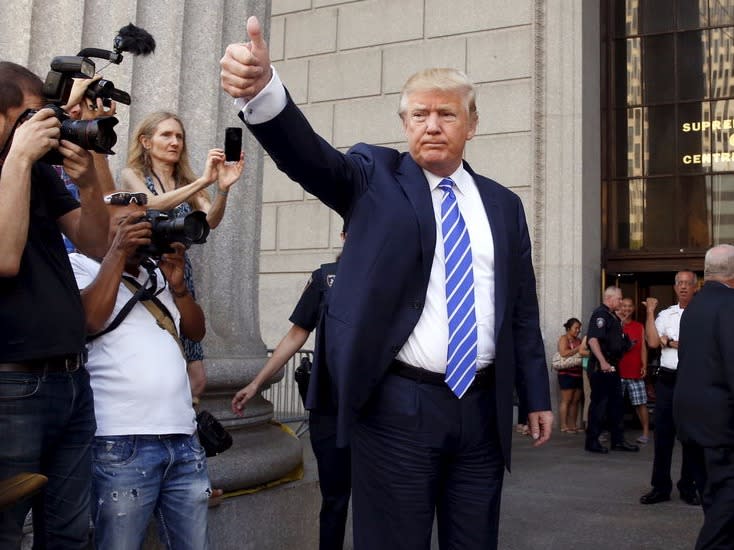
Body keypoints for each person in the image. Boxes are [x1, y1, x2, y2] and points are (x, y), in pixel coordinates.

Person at [220, 17, 553, 550]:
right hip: (399, 405)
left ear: (472, 123)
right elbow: (312, 159)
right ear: (404, 123)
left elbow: (521, 309)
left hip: (483, 412)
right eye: (419, 114)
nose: (432, 124)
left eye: (447, 113)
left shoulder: (503, 205)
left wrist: (535, 394)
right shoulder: (375, 177)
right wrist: (265, 93)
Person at [0, 61, 109, 548]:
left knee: (68, 535)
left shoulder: (39, 172)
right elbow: (4, 256)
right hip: (12, 383)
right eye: (30, 115)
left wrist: (88, 183)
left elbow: (96, 243)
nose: (44, 126)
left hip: (71, 379)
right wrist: (19, 161)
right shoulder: (18, 165)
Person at [69, 200, 211, 549]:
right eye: (125, 225)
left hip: (182, 438)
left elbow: (195, 331)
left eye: (141, 224)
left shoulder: (157, 273)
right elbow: (89, 321)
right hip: (121, 442)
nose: (138, 232)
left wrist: (179, 287)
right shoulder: (79, 266)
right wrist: (117, 253)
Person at [232, 240, 350, 550]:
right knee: (335, 499)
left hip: (376, 410)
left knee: (377, 503)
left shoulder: (388, 275)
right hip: (329, 408)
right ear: (344, 236)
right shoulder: (325, 278)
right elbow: (297, 334)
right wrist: (257, 382)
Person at [120, 111, 244, 401]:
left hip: (179, 272)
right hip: (144, 270)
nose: (175, 142)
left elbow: (210, 221)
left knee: (196, 376)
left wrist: (222, 190)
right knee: (156, 359)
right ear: (145, 141)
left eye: (179, 136)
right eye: (166, 135)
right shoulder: (133, 174)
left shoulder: (186, 180)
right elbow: (150, 204)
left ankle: (185, 431)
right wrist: (203, 181)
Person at [674, 245, 734, 549]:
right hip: (721, 426)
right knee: (726, 505)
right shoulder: (730, 305)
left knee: (713, 500)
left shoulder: (692, 307)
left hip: (691, 421)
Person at [639, 270, 703, 506]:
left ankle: (689, 486)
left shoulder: (702, 313)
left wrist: (672, 341)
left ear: (696, 287)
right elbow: (654, 341)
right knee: (663, 435)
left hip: (692, 379)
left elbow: (698, 345)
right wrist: (649, 312)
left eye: (688, 283)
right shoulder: (666, 314)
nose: (684, 287)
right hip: (667, 380)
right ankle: (660, 487)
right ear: (675, 288)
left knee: (691, 437)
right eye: (680, 283)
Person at [584, 286, 639, 454]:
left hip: (613, 366)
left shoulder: (612, 316)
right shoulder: (600, 314)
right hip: (603, 367)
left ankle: (618, 440)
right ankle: (592, 442)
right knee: (600, 405)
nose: (621, 302)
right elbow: (593, 340)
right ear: (609, 298)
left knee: (617, 405)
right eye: (619, 298)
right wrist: (602, 362)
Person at [617, 297, 649, 444]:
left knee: (640, 403)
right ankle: (612, 432)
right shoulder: (615, 324)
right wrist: (620, 323)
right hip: (617, 370)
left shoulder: (639, 326)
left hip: (635, 369)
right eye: (624, 306)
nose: (627, 309)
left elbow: (643, 347)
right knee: (614, 403)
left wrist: (644, 365)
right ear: (619, 307)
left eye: (630, 306)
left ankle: (646, 433)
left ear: (634, 308)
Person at [556, 318, 584, 433]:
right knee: (566, 400)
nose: (578, 330)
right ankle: (563, 425)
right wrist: (579, 348)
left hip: (578, 373)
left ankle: (573, 425)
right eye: (575, 328)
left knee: (575, 401)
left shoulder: (579, 340)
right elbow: (563, 353)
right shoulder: (564, 338)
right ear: (568, 328)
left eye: (579, 328)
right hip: (566, 374)